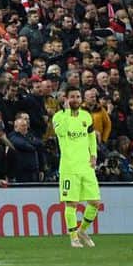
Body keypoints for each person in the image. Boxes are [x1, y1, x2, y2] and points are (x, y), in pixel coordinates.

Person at [52, 88, 101, 249]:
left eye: (78, 96)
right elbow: (60, 131)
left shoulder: (86, 116)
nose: (75, 99)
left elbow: (91, 136)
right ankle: (73, 237)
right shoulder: (59, 117)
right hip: (69, 167)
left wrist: (93, 155)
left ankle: (82, 231)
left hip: (86, 166)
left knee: (95, 202)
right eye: (72, 97)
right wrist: (66, 112)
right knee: (71, 204)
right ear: (66, 99)